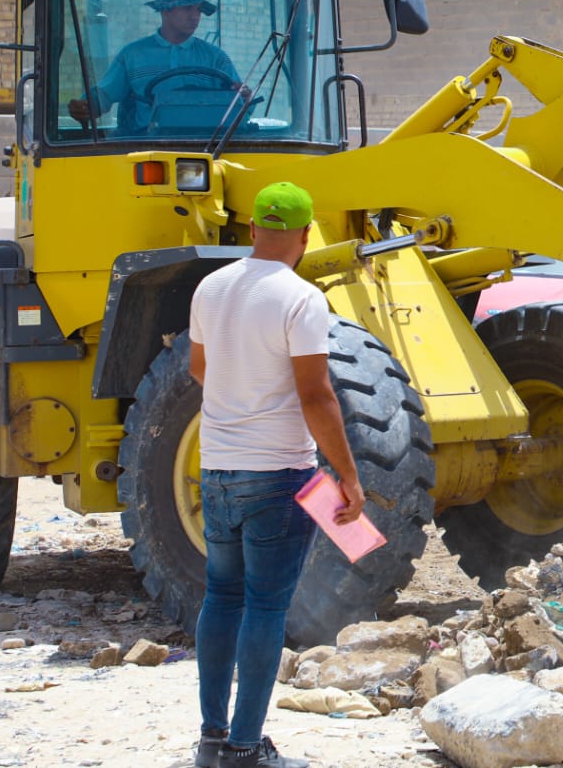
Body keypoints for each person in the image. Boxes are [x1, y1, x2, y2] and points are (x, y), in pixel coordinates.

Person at [187, 181, 363, 768]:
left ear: (254, 228)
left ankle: (213, 740)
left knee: (222, 596)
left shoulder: (210, 288)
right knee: (264, 607)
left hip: (216, 471)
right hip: (279, 476)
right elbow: (317, 396)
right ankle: (244, 748)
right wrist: (349, 477)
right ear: (307, 235)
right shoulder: (301, 298)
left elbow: (199, 369)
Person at [69, 0, 238, 135]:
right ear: (166, 9)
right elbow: (103, 96)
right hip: (145, 147)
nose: (195, 16)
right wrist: (85, 106)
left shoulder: (216, 59)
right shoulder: (133, 56)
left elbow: (240, 105)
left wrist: (242, 96)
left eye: (198, 10)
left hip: (205, 147)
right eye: (187, 8)